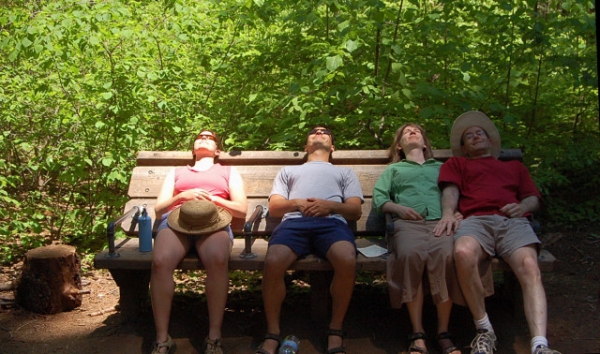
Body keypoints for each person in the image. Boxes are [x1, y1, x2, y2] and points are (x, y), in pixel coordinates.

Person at [433, 111, 561, 354]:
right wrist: (448, 213)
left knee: (530, 266)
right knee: (462, 252)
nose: (475, 136)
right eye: (469, 136)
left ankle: (540, 345)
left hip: (512, 221)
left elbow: (533, 198)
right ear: (464, 148)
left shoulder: (515, 167)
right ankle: (484, 330)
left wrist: (523, 206)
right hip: (475, 221)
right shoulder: (457, 164)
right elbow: (450, 191)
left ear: (490, 141)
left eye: (479, 133)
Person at [255, 126, 363, 354]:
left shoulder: (344, 173)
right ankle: (273, 333)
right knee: (273, 261)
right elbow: (274, 208)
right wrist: (298, 203)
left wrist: (329, 206)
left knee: (346, 258)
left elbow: (354, 211)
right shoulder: (288, 171)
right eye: (313, 132)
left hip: (332, 223)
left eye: (325, 132)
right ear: (306, 147)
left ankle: (335, 330)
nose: (319, 133)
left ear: (332, 147)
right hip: (294, 223)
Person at [150, 130, 248, 354]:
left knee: (217, 259)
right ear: (193, 149)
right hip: (177, 221)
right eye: (199, 136)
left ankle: (214, 336)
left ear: (218, 150)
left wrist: (211, 199)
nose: (204, 138)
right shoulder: (176, 172)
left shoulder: (228, 172)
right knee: (160, 261)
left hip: (214, 222)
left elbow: (242, 210)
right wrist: (181, 197)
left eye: (210, 137)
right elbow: (158, 210)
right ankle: (162, 339)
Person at [372, 123, 462, 354]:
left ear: (424, 143)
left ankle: (443, 331)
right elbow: (380, 199)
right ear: (399, 146)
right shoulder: (394, 170)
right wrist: (398, 209)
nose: (412, 132)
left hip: (440, 222)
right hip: (408, 224)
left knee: (446, 256)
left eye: (417, 131)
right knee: (410, 255)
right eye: (405, 132)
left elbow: (457, 193)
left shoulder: (442, 167)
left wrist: (456, 213)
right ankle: (418, 332)